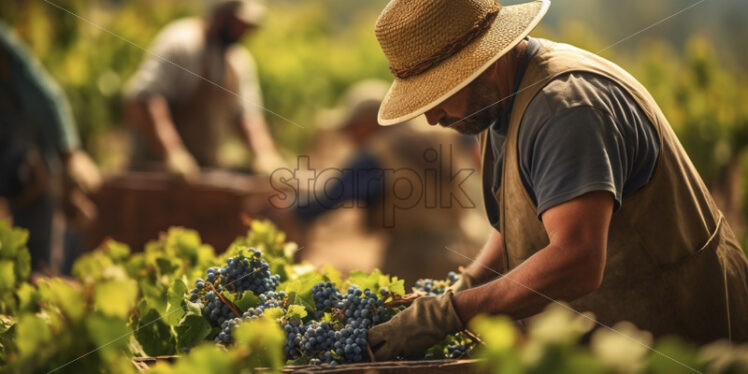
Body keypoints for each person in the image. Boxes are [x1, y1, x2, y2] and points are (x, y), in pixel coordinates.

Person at [367, 0, 748, 360]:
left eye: (438, 94)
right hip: (617, 348)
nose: (432, 118)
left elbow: (577, 257)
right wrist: (466, 286)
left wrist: (454, 312)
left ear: (482, 63)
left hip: (682, 345)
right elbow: (523, 227)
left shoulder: (565, 109)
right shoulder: (495, 104)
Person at [294, 80, 485, 284]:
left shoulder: (376, 154)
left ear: (371, 122)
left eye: (353, 128)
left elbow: (328, 199)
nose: (350, 137)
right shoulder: (443, 134)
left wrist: (290, 210)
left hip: (411, 259)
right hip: (462, 249)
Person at [124, 0, 282, 179]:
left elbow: (247, 116)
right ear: (220, 15)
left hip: (202, 172)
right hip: (155, 173)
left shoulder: (238, 61)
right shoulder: (181, 42)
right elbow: (146, 100)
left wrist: (264, 153)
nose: (244, 31)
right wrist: (173, 153)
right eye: (239, 24)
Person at [0, 22, 102, 274]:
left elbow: (45, 96)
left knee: (35, 267)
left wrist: (68, 154)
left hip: (23, 168)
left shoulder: (4, 46)